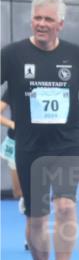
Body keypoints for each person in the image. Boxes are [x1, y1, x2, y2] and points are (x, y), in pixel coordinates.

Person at [0, 0, 79, 260]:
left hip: (68, 141)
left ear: (61, 23)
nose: (41, 24)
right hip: (30, 145)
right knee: (36, 216)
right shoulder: (13, 55)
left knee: (65, 206)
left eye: (48, 19)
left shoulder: (77, 55)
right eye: (37, 18)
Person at [0, 96, 30, 249]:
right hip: (15, 142)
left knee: (32, 195)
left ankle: (31, 237)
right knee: (18, 192)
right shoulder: (13, 86)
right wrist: (12, 124)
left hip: (36, 142)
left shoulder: (46, 83)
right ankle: (26, 199)